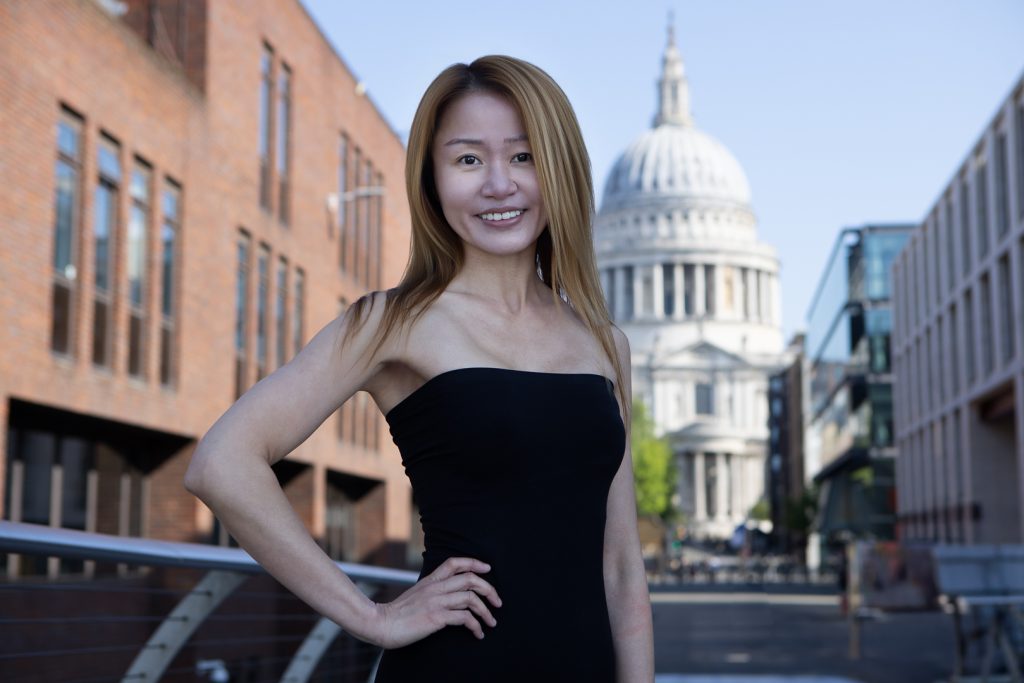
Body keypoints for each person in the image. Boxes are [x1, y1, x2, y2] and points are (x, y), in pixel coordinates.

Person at [185, 55, 654, 682]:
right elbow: (222, 463)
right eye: (467, 159)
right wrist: (371, 618)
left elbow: (621, 567)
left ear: (560, 170)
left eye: (523, 157)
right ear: (432, 180)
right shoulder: (393, 322)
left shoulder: (604, 344)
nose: (498, 184)